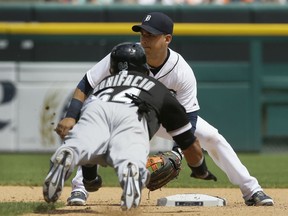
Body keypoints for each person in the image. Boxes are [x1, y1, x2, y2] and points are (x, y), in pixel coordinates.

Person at [56, 12, 274, 207]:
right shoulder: (126, 55)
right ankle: (80, 188)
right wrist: (71, 116)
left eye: (151, 35)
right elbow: (87, 83)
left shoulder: (181, 72)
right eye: (142, 34)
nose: (144, 39)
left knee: (213, 138)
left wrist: (178, 152)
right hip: (126, 112)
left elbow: (189, 119)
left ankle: (252, 190)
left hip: (165, 118)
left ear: (167, 39)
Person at [43, 42, 216, 210]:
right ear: (145, 69)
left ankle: (70, 153)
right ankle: (133, 170)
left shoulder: (102, 86)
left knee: (84, 144)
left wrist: (91, 181)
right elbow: (188, 142)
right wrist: (200, 169)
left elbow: (89, 163)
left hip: (96, 106)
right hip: (131, 115)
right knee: (130, 154)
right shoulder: (157, 88)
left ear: (111, 69)